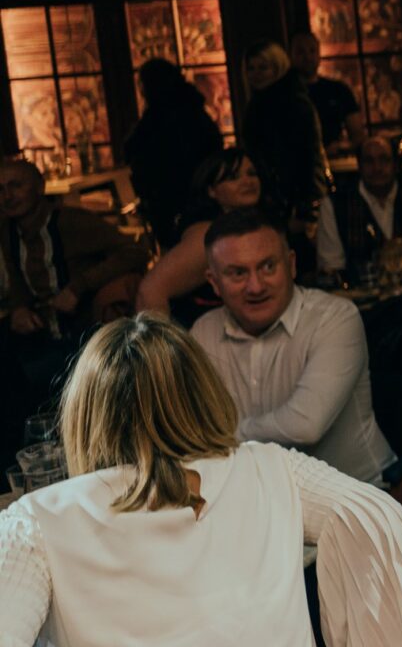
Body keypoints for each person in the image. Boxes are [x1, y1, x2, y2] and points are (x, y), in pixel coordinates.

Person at [0, 312, 402, 647]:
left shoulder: (35, 523)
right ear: (204, 394)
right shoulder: (270, 469)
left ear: (85, 415)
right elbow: (376, 519)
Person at [192, 208, 396, 486]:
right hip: (265, 506)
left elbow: (305, 425)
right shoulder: (203, 332)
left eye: (268, 266)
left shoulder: (335, 318)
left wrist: (227, 435)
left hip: (356, 500)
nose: (255, 286)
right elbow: (189, 428)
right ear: (214, 283)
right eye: (238, 273)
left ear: (291, 264)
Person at [0, 158, 148, 431]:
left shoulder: (70, 222)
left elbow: (136, 251)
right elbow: (15, 276)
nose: (7, 196)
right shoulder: (7, 230)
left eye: (16, 186)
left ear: (39, 187)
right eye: (1, 189)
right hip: (42, 335)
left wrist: (79, 286)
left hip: (85, 332)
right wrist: (19, 308)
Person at [135, 149, 263, 326]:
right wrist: (165, 350)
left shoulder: (246, 226)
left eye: (252, 174)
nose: (247, 181)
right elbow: (150, 291)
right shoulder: (206, 235)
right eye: (233, 177)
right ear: (211, 190)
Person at [241, 40, 331, 255]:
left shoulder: (292, 103)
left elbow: (308, 158)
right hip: (272, 198)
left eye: (263, 67)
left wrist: (303, 208)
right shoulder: (258, 104)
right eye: (251, 68)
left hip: (292, 200)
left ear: (277, 67)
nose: (256, 74)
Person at [316, 134, 402, 279]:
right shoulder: (334, 206)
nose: (377, 168)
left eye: (384, 160)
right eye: (369, 161)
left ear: (396, 165)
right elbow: (331, 269)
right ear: (359, 166)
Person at [124, 58, 223, 248]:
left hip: (167, 198)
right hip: (200, 193)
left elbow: (133, 151)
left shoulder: (156, 117)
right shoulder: (194, 110)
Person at [290, 31, 365, 153]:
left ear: (319, 54)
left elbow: (358, 135)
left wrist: (340, 147)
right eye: (300, 52)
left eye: (312, 51)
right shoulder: (283, 94)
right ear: (291, 56)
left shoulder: (339, 90)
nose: (307, 57)